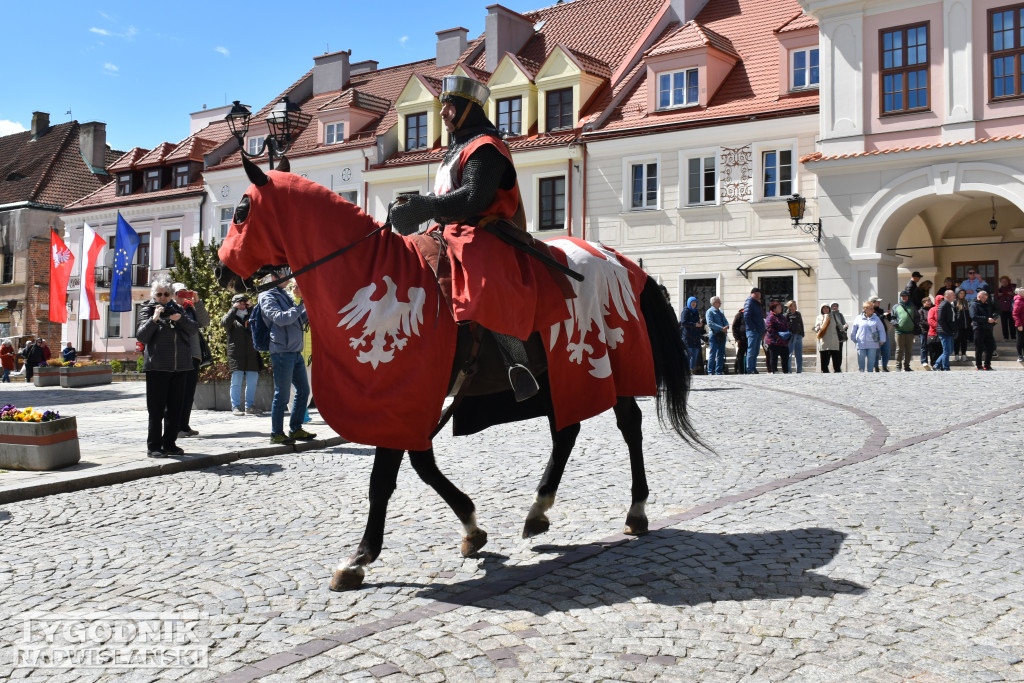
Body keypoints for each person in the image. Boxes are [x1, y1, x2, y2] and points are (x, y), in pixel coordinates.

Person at [388, 74, 538, 402]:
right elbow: (447, 195)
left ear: (469, 108)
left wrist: (425, 206)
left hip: (483, 231)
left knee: (484, 282)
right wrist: (415, 206)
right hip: (446, 231)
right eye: (442, 106)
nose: (443, 113)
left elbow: (473, 198)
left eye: (450, 106)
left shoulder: (487, 147)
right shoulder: (453, 152)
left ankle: (517, 360)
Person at [137, 279, 197, 457]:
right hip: (157, 366)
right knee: (156, 410)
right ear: (154, 295)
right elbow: (141, 336)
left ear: (172, 295)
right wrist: (154, 319)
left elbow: (194, 329)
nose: (163, 298)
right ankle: (154, 446)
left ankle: (170, 444)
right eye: (159, 294)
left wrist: (180, 320)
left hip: (180, 366)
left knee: (175, 408)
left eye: (166, 294)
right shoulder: (147, 309)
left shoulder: (178, 309)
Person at [258, 272, 316, 444]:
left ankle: (296, 429)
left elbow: (299, 319)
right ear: (273, 278)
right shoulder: (266, 296)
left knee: (304, 391)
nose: (290, 280)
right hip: (282, 351)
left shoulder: (284, 295)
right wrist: (299, 308)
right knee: (282, 394)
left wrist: (308, 304)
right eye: (285, 276)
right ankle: (276, 433)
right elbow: (281, 319)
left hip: (295, 350)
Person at [172, 283, 209, 438]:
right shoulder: (170, 308)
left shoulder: (190, 308)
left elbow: (204, 322)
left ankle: (184, 425)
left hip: (193, 355)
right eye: (179, 293)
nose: (182, 296)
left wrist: (197, 302)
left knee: (188, 393)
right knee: (177, 393)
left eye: (185, 292)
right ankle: (174, 427)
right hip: (178, 355)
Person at [222, 293, 263, 416]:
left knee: (252, 380)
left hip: (251, 353)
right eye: (239, 303)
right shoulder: (231, 317)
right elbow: (224, 324)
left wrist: (251, 308)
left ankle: (249, 406)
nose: (241, 305)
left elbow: (261, 322)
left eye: (243, 302)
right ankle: (235, 407)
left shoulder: (251, 315)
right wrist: (233, 309)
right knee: (237, 380)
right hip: (236, 353)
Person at [850, 301, 886, 372]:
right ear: (865, 309)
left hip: (872, 343)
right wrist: (854, 339)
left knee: (871, 360)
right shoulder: (858, 318)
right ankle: (862, 371)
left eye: (873, 308)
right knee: (861, 358)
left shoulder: (876, 318)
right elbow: (854, 329)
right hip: (861, 342)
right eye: (870, 308)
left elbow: (881, 329)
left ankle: (870, 373)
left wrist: (882, 339)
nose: (873, 310)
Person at [969, 290, 997, 371]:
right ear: (979, 297)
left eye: (986, 298)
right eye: (983, 298)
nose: (985, 299)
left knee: (990, 347)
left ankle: (987, 365)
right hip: (979, 328)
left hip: (988, 328)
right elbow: (973, 316)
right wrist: (986, 319)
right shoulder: (974, 305)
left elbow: (990, 314)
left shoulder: (987, 305)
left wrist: (993, 319)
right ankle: (979, 365)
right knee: (979, 347)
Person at [891, 290, 916, 372]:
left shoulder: (912, 306)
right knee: (899, 350)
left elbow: (917, 317)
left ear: (908, 297)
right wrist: (895, 323)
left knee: (909, 350)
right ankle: (898, 366)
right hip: (899, 332)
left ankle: (907, 366)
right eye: (903, 296)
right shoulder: (896, 306)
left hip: (910, 332)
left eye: (906, 296)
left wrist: (916, 325)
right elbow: (892, 318)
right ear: (900, 297)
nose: (904, 297)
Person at [764, 300, 791, 374]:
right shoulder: (770, 317)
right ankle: (774, 370)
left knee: (785, 356)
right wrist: (779, 335)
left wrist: (787, 335)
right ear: (774, 309)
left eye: (780, 307)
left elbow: (786, 326)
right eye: (778, 307)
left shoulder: (782, 317)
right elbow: (770, 329)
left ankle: (786, 371)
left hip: (783, 341)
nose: (780, 308)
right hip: (774, 341)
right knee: (774, 357)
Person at [743, 288, 766, 374]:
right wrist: (753, 328)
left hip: (758, 331)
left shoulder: (757, 303)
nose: (759, 295)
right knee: (751, 350)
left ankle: (753, 368)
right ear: (753, 294)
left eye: (759, 294)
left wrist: (762, 330)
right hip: (752, 331)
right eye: (757, 293)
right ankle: (749, 369)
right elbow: (746, 316)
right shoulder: (749, 302)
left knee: (756, 351)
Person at [814, 304, 842, 372]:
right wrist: (817, 328)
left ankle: (837, 371)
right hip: (824, 340)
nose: (826, 309)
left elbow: (839, 325)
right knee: (824, 359)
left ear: (829, 309)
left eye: (827, 308)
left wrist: (844, 328)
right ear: (822, 309)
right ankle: (825, 371)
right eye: (824, 308)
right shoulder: (819, 317)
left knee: (836, 358)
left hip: (833, 340)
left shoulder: (834, 316)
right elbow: (816, 326)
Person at [704, 296, 728, 375]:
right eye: (719, 302)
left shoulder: (721, 312)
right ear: (714, 303)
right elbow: (710, 323)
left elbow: (725, 321)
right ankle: (710, 371)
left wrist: (726, 326)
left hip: (722, 335)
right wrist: (721, 328)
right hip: (714, 335)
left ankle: (719, 371)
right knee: (713, 353)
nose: (720, 303)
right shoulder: (710, 312)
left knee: (721, 353)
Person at [680, 296, 704, 372]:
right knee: (688, 354)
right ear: (689, 303)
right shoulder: (685, 311)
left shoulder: (696, 312)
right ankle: (686, 370)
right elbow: (683, 322)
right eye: (692, 302)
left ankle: (691, 369)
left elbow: (696, 322)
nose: (694, 304)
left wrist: (699, 324)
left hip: (695, 336)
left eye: (695, 302)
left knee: (695, 354)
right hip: (688, 336)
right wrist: (694, 325)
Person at [934, 290, 956, 371]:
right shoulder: (943, 304)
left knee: (949, 350)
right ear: (947, 296)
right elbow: (940, 320)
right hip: (944, 331)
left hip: (949, 331)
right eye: (953, 295)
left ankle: (937, 365)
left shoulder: (949, 305)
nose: (954, 296)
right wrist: (946, 330)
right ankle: (946, 367)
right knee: (946, 351)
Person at [870, 297, 892, 372]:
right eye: (877, 302)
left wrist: (888, 315)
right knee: (876, 351)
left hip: (884, 333)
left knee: (886, 350)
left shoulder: (881, 310)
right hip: (875, 333)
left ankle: (884, 366)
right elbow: (875, 320)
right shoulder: (871, 311)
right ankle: (875, 366)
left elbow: (887, 320)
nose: (879, 303)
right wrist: (883, 316)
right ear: (873, 302)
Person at [782, 300, 804, 373]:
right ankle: (789, 370)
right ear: (790, 306)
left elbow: (801, 324)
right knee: (789, 354)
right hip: (791, 335)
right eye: (794, 305)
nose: (796, 306)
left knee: (799, 354)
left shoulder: (798, 314)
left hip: (799, 335)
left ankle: (799, 370)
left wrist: (802, 333)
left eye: (796, 305)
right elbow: (784, 326)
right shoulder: (786, 315)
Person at [952, 288, 971, 362]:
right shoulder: (954, 302)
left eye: (963, 293)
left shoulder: (966, 302)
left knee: (964, 341)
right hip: (957, 325)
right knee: (957, 340)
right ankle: (956, 354)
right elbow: (953, 315)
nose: (962, 295)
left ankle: (963, 354)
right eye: (961, 293)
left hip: (965, 326)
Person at [996, 276, 1016, 341]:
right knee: (1004, 324)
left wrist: (1012, 294)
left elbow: (1017, 296)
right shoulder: (999, 289)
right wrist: (998, 295)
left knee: (1012, 323)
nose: (1004, 283)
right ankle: (1005, 337)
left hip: (1011, 309)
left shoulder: (1012, 288)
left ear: (1008, 281)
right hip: (1003, 309)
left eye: (1005, 281)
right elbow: (996, 297)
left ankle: (1013, 337)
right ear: (1001, 282)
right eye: (1002, 281)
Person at [830, 302, 848, 366]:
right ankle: (834, 365)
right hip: (832, 336)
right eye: (833, 306)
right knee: (833, 352)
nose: (835, 307)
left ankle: (838, 366)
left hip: (839, 335)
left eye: (836, 306)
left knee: (840, 352)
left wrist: (846, 325)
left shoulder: (840, 315)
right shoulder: (829, 315)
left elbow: (844, 323)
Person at [731, 308, 746, 374]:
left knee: (750, 355)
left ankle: (748, 369)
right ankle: (740, 370)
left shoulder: (751, 314)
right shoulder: (739, 315)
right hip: (741, 339)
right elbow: (734, 327)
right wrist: (737, 339)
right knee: (740, 355)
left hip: (750, 339)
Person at [1013, 286, 1024, 362]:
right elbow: (1015, 314)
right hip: (1021, 324)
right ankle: (1020, 355)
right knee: (1020, 340)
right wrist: (1019, 324)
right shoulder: (1018, 301)